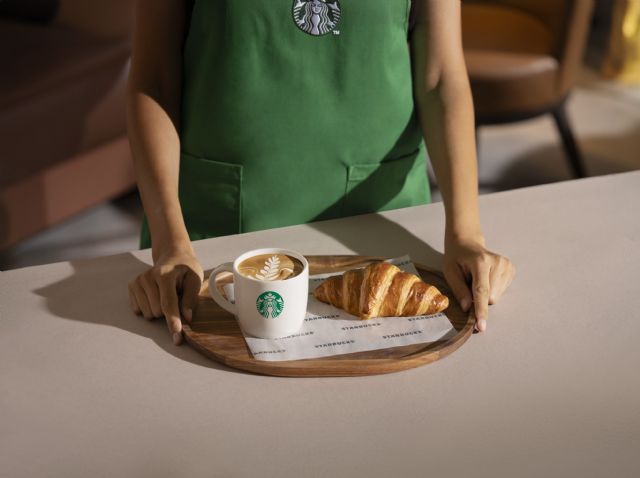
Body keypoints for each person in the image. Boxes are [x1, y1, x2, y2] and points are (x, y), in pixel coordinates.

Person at [126, 0, 516, 346]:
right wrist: (168, 242)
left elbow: (440, 77)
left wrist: (466, 232)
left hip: (381, 229)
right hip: (214, 240)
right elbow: (154, 80)